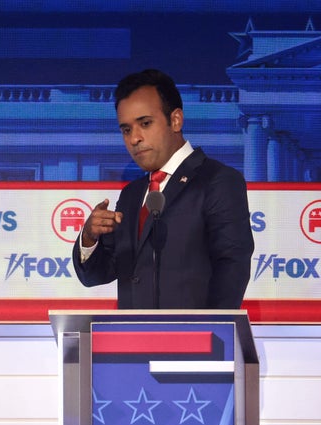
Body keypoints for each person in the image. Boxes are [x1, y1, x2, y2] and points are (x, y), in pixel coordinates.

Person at [73, 69, 254, 309]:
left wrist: (207, 334)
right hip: (132, 340)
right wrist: (89, 237)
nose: (134, 138)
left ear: (176, 120)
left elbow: (232, 269)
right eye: (126, 130)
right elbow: (96, 275)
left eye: (145, 123)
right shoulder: (131, 195)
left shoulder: (217, 180)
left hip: (194, 341)